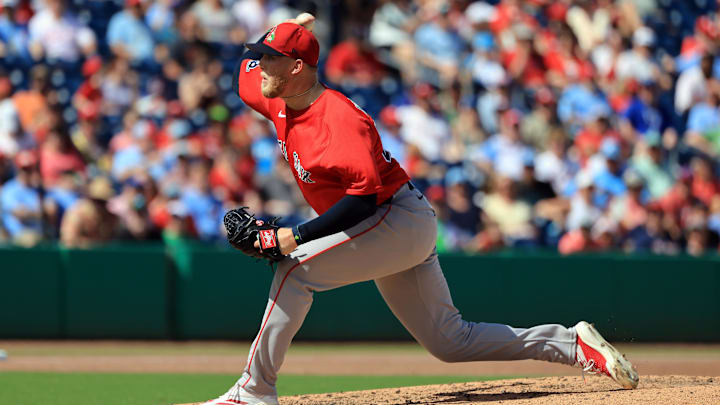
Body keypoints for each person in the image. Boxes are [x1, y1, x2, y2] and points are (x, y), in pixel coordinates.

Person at [194, 15, 639, 405]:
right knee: (450, 341)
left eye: (269, 57)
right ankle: (573, 344)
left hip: (392, 218)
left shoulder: (339, 120)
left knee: (293, 271)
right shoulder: (278, 96)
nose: (259, 66)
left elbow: (363, 200)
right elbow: (243, 76)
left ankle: (254, 391)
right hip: (389, 225)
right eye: (260, 56)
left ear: (295, 68)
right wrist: (285, 28)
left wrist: (296, 236)